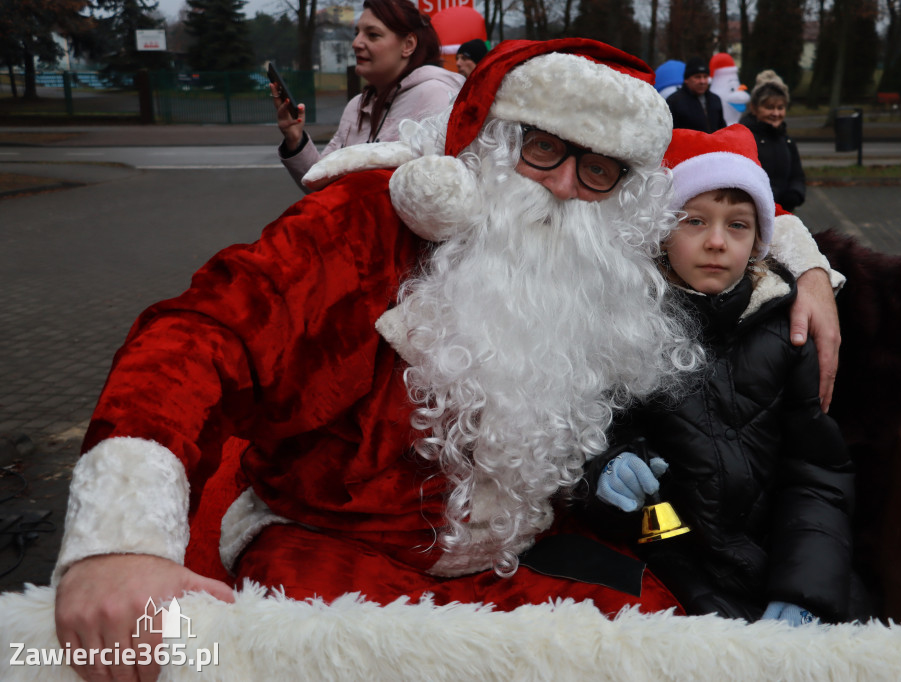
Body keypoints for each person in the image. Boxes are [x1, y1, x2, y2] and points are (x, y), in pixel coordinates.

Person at [53, 38, 842, 682]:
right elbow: (198, 335)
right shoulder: (368, 221)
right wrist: (119, 540)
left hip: (520, 559)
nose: (567, 188)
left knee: (682, 653)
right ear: (491, 144)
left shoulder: (608, 252)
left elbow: (733, 184)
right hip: (337, 548)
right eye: (542, 150)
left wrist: (809, 270)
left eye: (597, 168)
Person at [583, 125, 854, 625]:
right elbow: (592, 431)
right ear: (662, 231)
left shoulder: (787, 334)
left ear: (759, 243)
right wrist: (606, 466)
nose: (715, 242)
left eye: (737, 225)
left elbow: (816, 475)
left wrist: (805, 590)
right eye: (694, 221)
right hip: (667, 567)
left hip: (776, 560)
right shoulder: (624, 323)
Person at [273, 0, 464, 191]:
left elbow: (441, 196)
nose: (356, 43)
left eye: (373, 35)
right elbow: (321, 187)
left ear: (408, 44)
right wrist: (295, 140)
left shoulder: (436, 97)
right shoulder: (356, 106)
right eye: (357, 33)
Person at [740, 69, 805, 212]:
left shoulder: (787, 141)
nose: (776, 113)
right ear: (754, 108)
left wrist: (795, 193)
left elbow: (797, 175)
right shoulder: (744, 139)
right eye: (769, 107)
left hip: (785, 215)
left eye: (780, 108)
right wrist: (771, 197)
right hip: (755, 215)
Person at [665, 57, 726, 132]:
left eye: (705, 77)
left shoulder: (715, 100)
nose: (702, 81)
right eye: (697, 77)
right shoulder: (674, 101)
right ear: (686, 79)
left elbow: (722, 129)